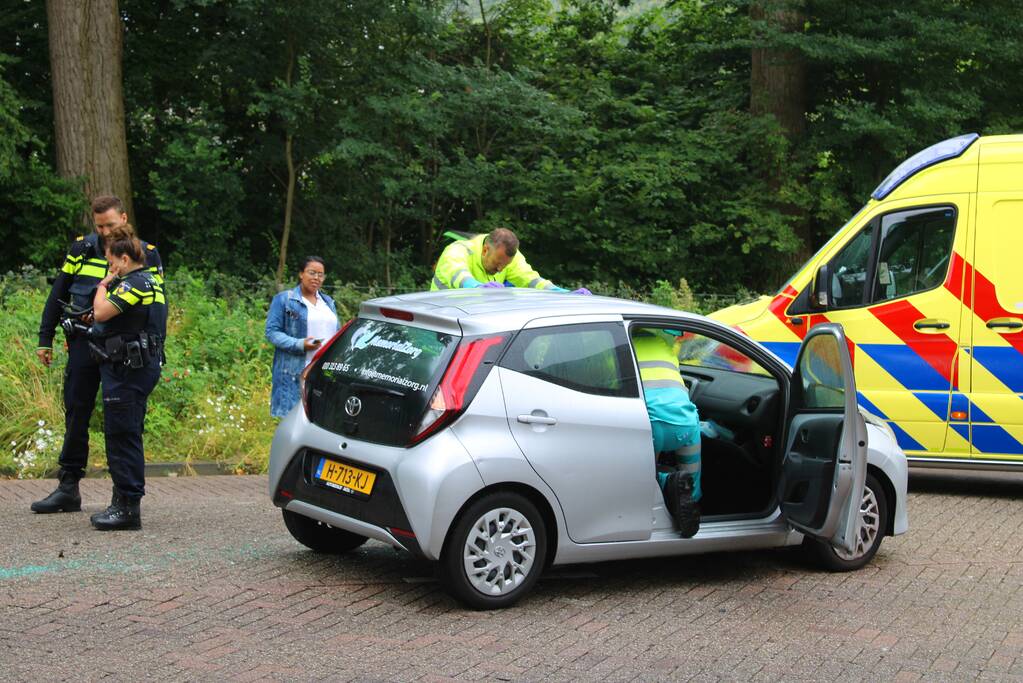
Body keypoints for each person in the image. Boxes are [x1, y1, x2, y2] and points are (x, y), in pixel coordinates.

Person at [31, 196, 163, 515]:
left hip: (123, 350)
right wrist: (45, 338)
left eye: (110, 225)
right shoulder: (81, 249)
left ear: (124, 218)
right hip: (82, 343)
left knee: (122, 419)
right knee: (76, 409)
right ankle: (68, 486)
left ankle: (124, 497)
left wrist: (154, 351)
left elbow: (156, 307)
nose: (104, 231)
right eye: (99, 226)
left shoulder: (146, 254)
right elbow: (58, 293)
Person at [86, 224, 167, 530]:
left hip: (127, 371)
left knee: (121, 435)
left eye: (110, 262)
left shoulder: (134, 284)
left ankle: (127, 507)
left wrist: (103, 284)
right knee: (126, 432)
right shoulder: (152, 281)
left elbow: (102, 313)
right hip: (138, 368)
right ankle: (122, 501)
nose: (109, 268)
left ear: (122, 259)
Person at [632, 327, 702, 538]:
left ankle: (664, 481)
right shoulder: (665, 346)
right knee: (691, 474)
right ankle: (694, 501)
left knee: (646, 476)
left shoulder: (620, 346)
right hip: (685, 424)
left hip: (650, 424)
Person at [266, 256, 339, 417]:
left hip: (324, 374)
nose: (316, 278)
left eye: (321, 274)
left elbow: (336, 334)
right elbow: (272, 332)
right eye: (312, 273)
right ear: (301, 274)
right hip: (296, 373)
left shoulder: (328, 302)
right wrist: (300, 344)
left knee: (320, 421)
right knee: (293, 422)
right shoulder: (285, 299)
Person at [431, 227, 590, 294]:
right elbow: (458, 274)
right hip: (440, 324)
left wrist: (563, 293)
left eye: (505, 265)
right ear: (486, 249)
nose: (501, 269)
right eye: (497, 263)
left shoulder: (509, 257)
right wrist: (477, 287)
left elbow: (531, 280)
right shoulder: (458, 250)